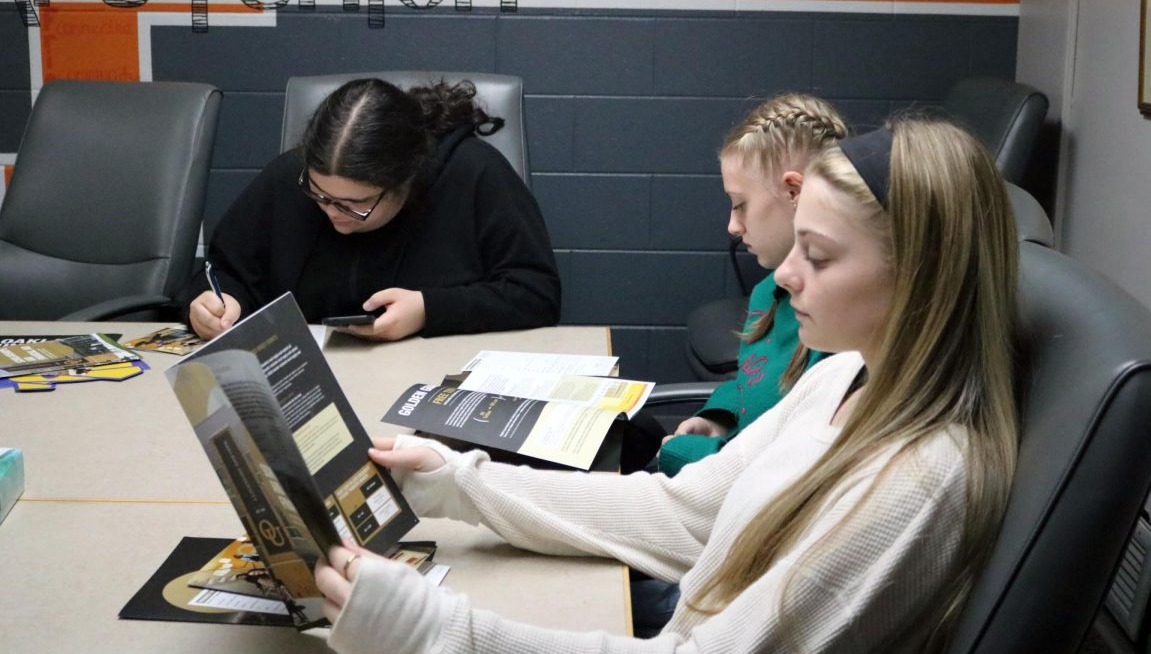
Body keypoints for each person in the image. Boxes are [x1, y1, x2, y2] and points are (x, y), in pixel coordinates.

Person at [314, 117, 1021, 653]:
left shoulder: (916, 484)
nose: (783, 276)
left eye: (820, 256)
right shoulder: (842, 375)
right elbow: (683, 517)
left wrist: (437, 631)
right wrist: (458, 481)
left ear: (921, 277)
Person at [183, 78, 561, 341]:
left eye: (357, 204)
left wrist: (429, 309)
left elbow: (536, 294)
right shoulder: (287, 177)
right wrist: (214, 302)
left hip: (437, 377)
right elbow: (223, 271)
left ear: (408, 179)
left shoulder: (475, 174)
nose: (333, 213)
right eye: (320, 194)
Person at [657, 94, 848, 478]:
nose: (732, 225)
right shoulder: (768, 292)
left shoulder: (834, 324)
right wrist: (719, 419)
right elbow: (752, 381)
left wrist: (685, 454)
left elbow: (777, 469)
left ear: (794, 192)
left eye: (740, 204)